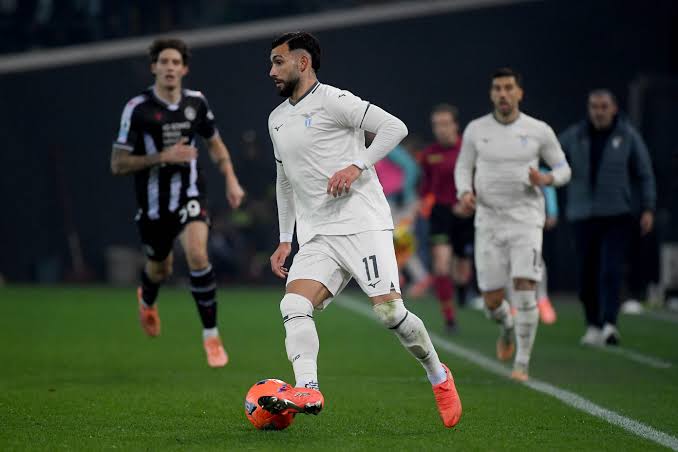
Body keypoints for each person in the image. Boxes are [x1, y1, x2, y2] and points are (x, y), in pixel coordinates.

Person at [266, 31, 461, 427]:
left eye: (278, 61)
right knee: (293, 305)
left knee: (390, 313)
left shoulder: (335, 100)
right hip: (318, 235)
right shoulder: (276, 120)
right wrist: (286, 238)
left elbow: (394, 127)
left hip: (362, 223)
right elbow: (284, 181)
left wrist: (357, 166)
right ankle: (307, 388)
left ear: (302, 63)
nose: (271, 71)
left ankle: (438, 375)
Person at [110, 38, 245, 367]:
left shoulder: (196, 103)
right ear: (153, 67)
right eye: (164, 62)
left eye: (175, 62)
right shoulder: (138, 109)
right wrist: (163, 156)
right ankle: (147, 299)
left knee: (198, 254)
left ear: (184, 69)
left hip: (191, 193)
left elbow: (215, 144)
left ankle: (211, 335)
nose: (169, 67)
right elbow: (117, 164)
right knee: (161, 268)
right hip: (154, 205)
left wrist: (231, 178)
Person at [455, 68, 571, 381]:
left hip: (526, 219)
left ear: (519, 93)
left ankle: (522, 363)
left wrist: (547, 178)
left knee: (525, 287)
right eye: (497, 88)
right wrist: (464, 192)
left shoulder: (539, 130)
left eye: (508, 88)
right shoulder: (476, 129)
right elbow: (463, 167)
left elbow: (564, 169)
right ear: (491, 94)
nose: (503, 94)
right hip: (489, 220)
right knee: (492, 301)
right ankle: (506, 327)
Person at [559, 89, 656, 346]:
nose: (599, 112)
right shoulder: (575, 136)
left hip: (616, 214)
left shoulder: (627, 135)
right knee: (586, 273)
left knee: (610, 270)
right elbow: (550, 156)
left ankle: (610, 323)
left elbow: (644, 172)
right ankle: (592, 323)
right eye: (594, 106)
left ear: (613, 108)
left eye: (604, 106)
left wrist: (648, 207)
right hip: (582, 214)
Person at [419, 104, 475, 331]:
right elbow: (426, 186)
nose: (441, 129)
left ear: (455, 125)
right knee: (441, 264)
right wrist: (423, 204)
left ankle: (462, 289)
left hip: (466, 211)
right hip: (441, 213)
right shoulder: (429, 155)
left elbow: (480, 180)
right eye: (436, 125)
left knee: (462, 270)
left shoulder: (468, 151)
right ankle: (450, 318)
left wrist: (470, 202)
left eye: (445, 124)